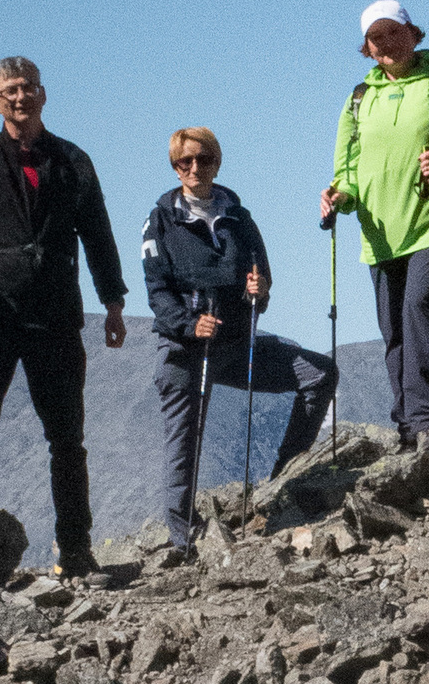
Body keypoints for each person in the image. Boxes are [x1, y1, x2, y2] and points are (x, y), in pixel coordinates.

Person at [0, 58, 127, 579]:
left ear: (44, 95)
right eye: (10, 91)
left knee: (67, 439)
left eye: (29, 88)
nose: (21, 98)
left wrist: (113, 302)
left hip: (56, 316)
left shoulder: (72, 160)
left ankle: (76, 549)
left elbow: (98, 234)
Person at [139, 128, 335, 559]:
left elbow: (261, 279)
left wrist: (259, 290)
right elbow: (157, 290)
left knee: (320, 373)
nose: (195, 168)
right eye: (184, 162)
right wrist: (189, 325)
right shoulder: (160, 221)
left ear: (217, 162)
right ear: (175, 168)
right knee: (183, 446)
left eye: (203, 159)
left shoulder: (239, 218)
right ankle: (182, 542)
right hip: (184, 352)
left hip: (236, 344)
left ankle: (286, 479)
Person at [322, 1, 429, 452]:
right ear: (367, 48)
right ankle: (409, 429)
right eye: (376, 37)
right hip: (381, 233)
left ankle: (428, 422)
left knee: (420, 310)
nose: (386, 43)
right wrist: (338, 196)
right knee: (394, 330)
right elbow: (346, 168)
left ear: (414, 33)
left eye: (394, 32)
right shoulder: (358, 98)